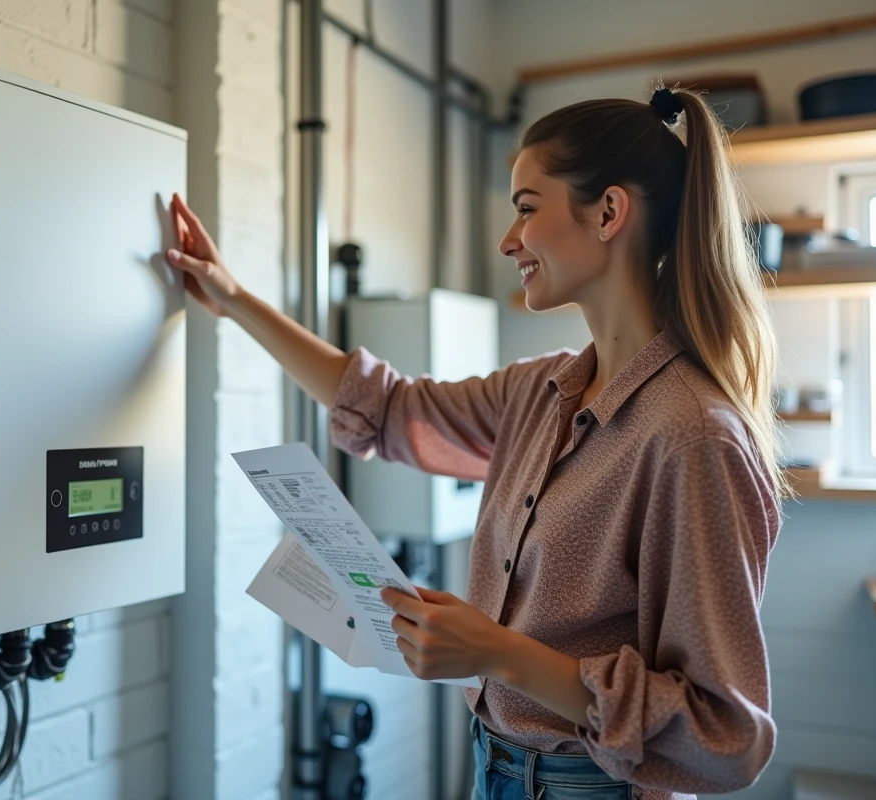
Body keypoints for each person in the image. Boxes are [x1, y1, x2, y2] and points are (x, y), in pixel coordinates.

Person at [166, 85, 781, 800]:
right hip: (495, 764)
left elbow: (725, 738)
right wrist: (234, 299)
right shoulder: (542, 391)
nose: (508, 239)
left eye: (526, 209)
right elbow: (390, 407)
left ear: (609, 212)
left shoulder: (693, 436)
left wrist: (497, 650)